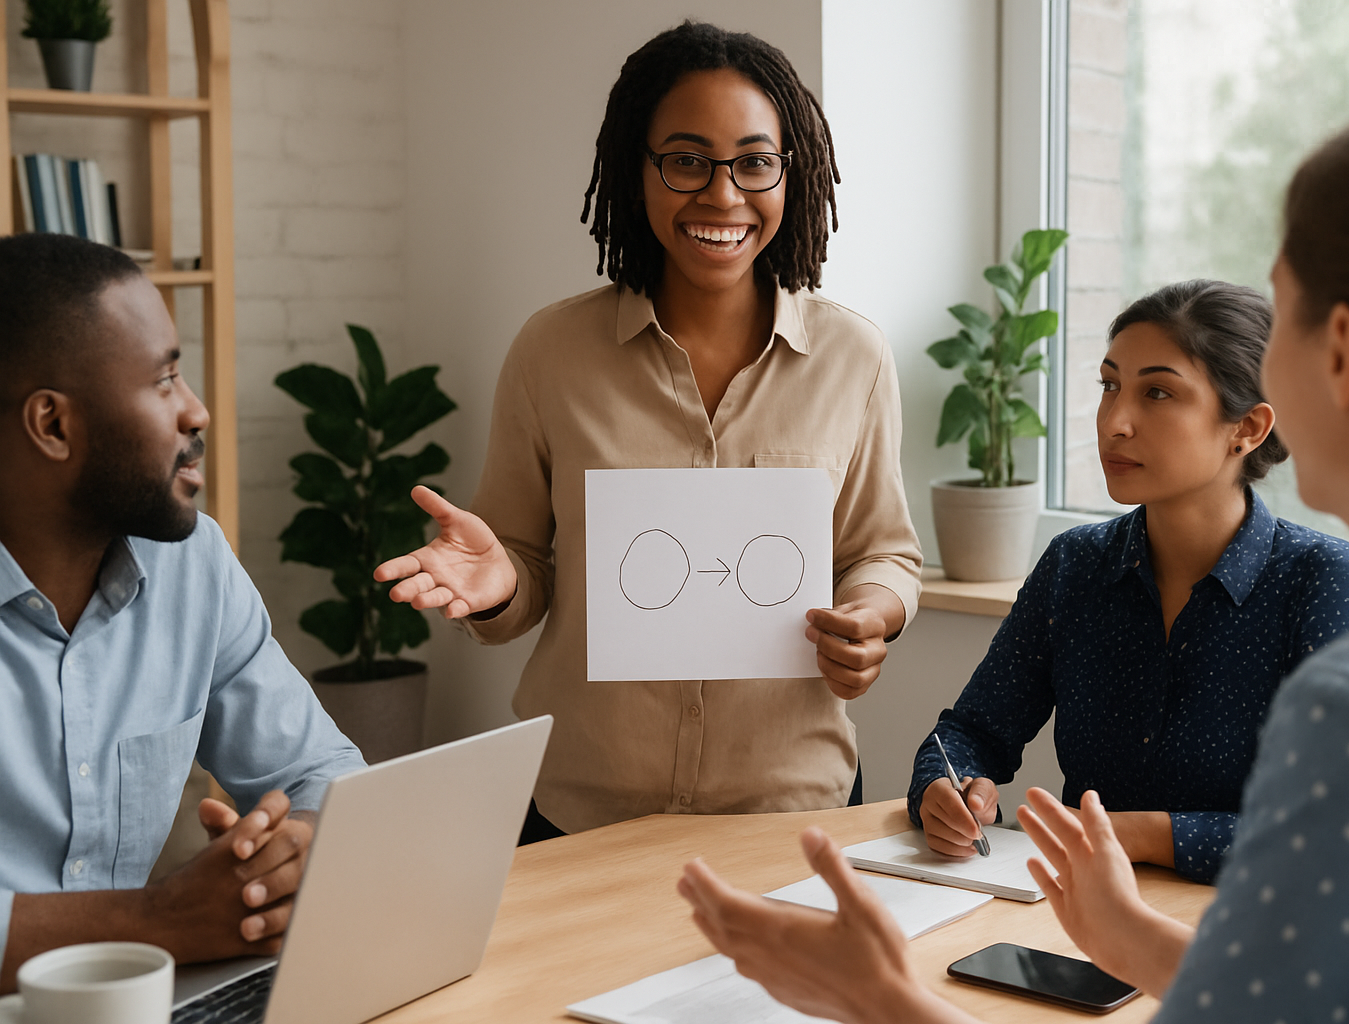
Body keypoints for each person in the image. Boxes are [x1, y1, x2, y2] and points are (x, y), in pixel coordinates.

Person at [677, 97, 1349, 1022]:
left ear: (1342, 354)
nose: (1118, 420)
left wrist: (877, 999)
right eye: (1110, 387)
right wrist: (1123, 933)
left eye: (1282, 311)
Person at [375, 22, 921, 840]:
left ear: (789, 173)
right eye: (687, 159)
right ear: (639, 170)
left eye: (755, 161)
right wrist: (501, 582)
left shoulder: (855, 355)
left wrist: (872, 615)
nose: (723, 194)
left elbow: (884, 549)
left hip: (790, 809)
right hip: (585, 811)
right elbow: (521, 565)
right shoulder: (550, 353)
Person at [913, 280, 1349, 882]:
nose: (1114, 422)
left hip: (1243, 937)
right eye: (1110, 386)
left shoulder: (1325, 581)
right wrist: (943, 791)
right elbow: (969, 733)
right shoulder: (1074, 564)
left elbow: (1341, 828)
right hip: (1069, 914)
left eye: (1157, 392)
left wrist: (1144, 834)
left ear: (1250, 428)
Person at [0, 234, 366, 993]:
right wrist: (160, 921)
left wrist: (288, 853)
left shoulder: (191, 565)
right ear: (54, 426)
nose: (196, 410)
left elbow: (324, 774)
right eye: (164, 380)